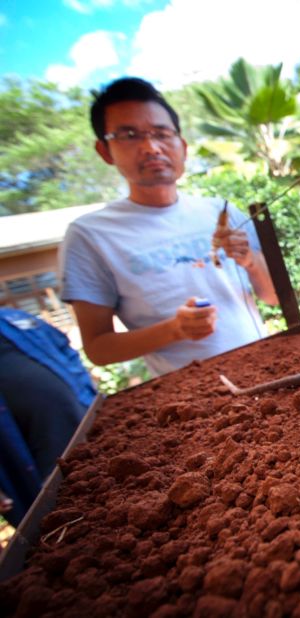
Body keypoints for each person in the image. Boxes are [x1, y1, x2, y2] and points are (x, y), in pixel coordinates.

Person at [60, 77, 278, 377]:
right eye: (130, 135)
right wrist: (174, 330)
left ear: (182, 146)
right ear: (105, 151)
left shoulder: (219, 210)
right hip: (189, 395)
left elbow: (273, 296)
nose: (151, 147)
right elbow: (98, 348)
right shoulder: (90, 236)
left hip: (270, 367)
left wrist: (250, 262)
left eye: (162, 133)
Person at [0, 307, 97, 526]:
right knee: (69, 522)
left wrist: (85, 390)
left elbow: (65, 349)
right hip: (32, 467)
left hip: (92, 432)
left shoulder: (15, 317)